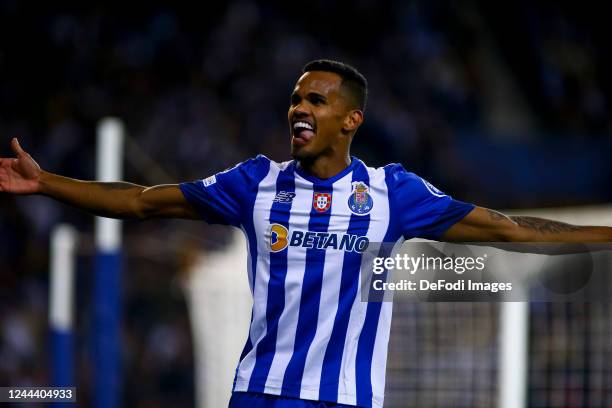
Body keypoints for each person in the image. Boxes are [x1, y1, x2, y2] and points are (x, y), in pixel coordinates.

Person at [1, 59, 610, 408]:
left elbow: (508, 231)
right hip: (259, 394)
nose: (300, 108)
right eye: (295, 98)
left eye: (317, 100)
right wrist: (47, 182)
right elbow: (140, 201)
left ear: (351, 119)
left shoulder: (392, 193)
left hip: (343, 399)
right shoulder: (254, 184)